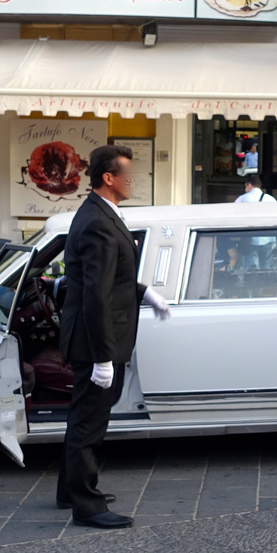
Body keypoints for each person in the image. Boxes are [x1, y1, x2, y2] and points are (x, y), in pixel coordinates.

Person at [58, 144, 170, 528]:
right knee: (89, 424)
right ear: (109, 178)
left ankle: (70, 490)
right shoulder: (98, 221)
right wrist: (103, 357)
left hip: (94, 337)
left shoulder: (103, 214)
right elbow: (95, 294)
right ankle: (86, 506)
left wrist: (144, 293)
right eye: (128, 173)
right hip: (94, 342)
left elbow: (112, 279)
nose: (133, 180)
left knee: (83, 418)